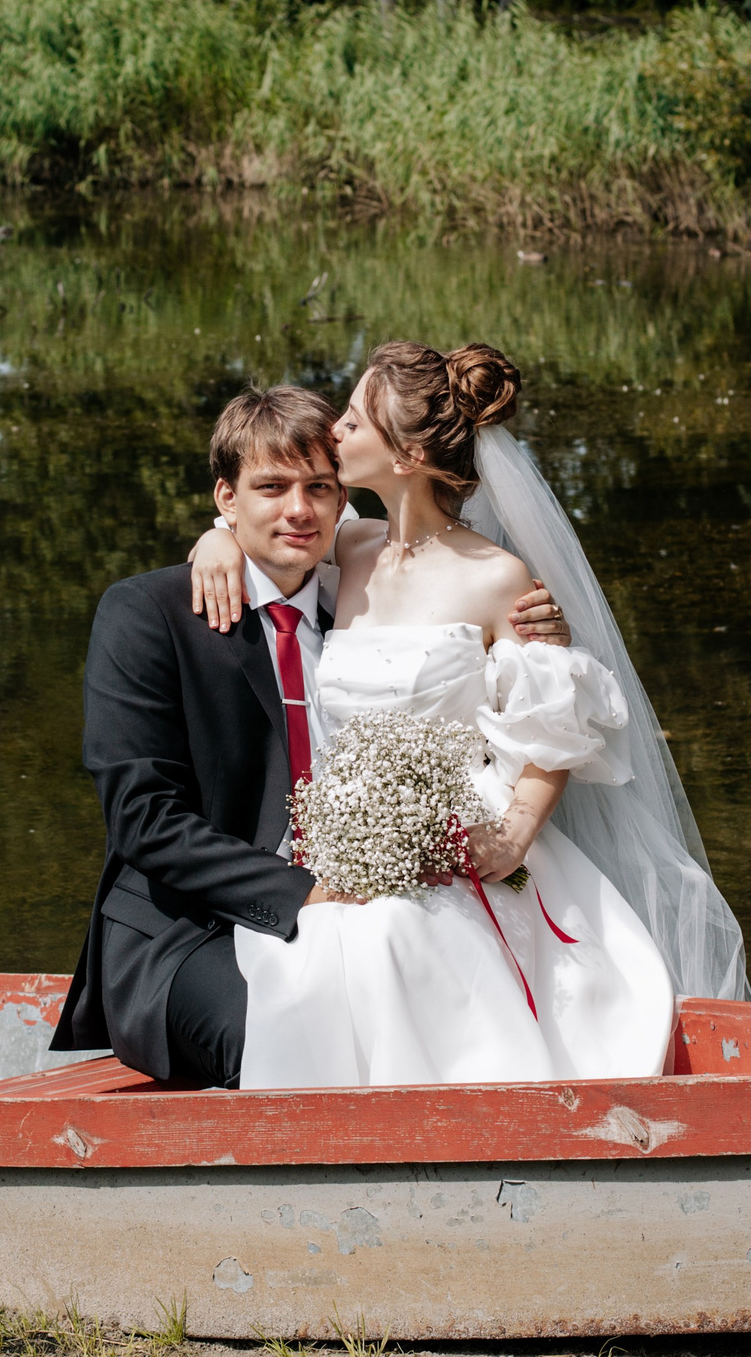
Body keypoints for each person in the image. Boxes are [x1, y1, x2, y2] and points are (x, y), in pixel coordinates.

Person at [188, 342, 751, 1088]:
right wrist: (217, 537)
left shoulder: (498, 578)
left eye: (353, 421)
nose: (335, 434)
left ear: (409, 453)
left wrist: (516, 831)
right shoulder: (347, 546)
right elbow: (267, 539)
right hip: (343, 832)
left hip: (461, 827)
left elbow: (552, 726)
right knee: (308, 947)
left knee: (393, 935)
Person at [47, 384, 574, 1087]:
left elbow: (479, 665)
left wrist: (541, 639)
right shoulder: (147, 615)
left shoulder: (362, 600)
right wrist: (306, 891)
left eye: (319, 487)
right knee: (292, 1040)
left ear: (341, 500)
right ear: (226, 498)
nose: (299, 509)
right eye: (271, 487)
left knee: (447, 1004)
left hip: (369, 901)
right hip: (189, 929)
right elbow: (144, 821)